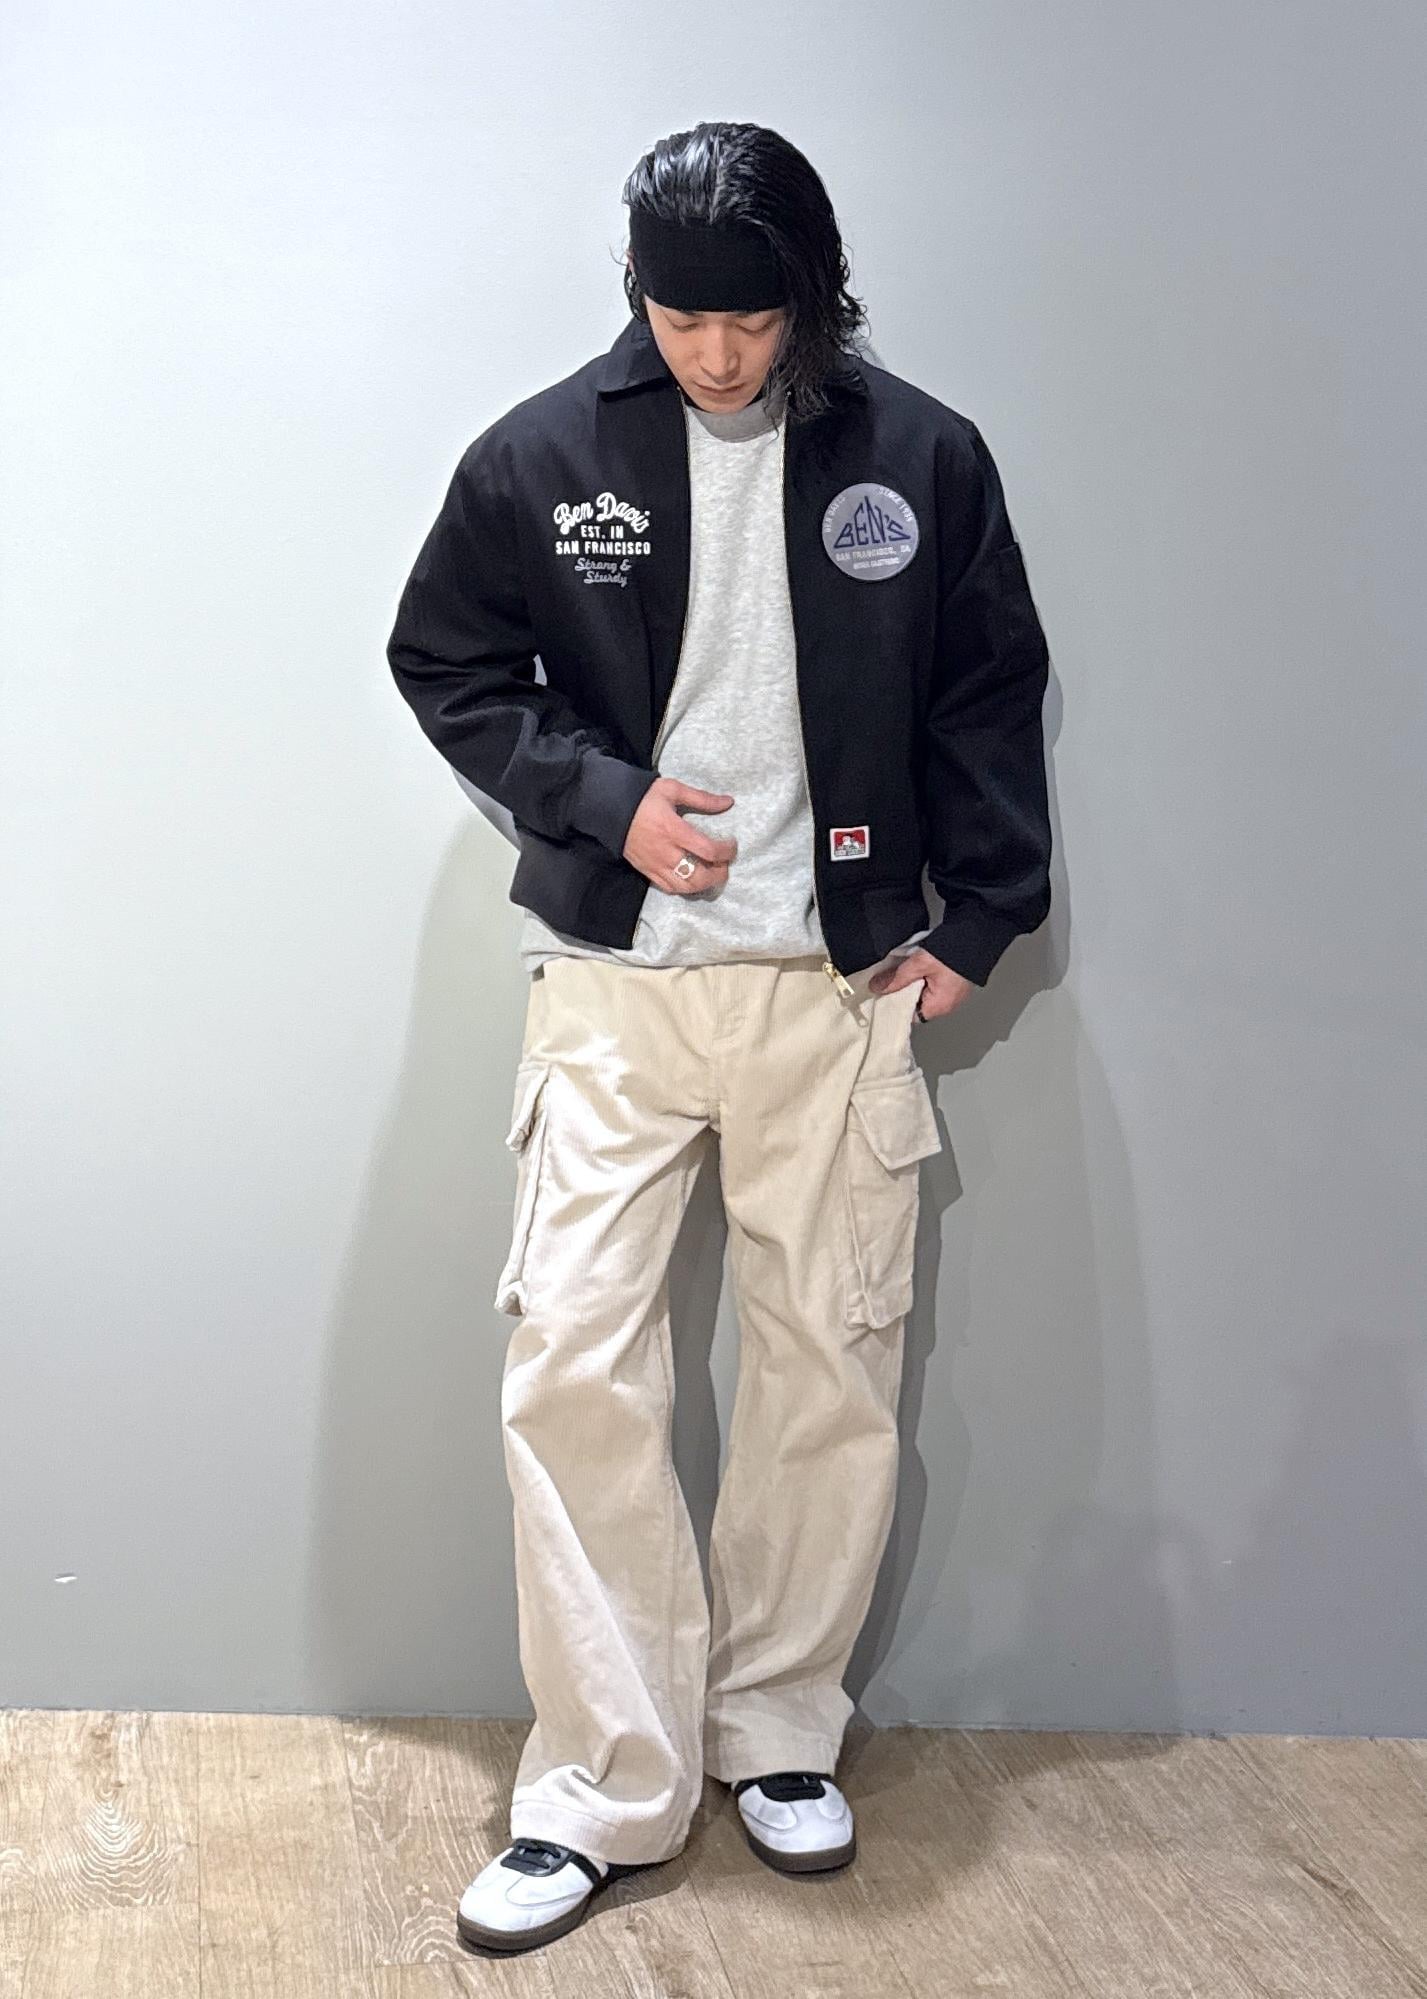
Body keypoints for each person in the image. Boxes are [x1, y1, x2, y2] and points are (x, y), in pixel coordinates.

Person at [386, 119, 1053, 1956]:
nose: (718, 354)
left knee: (826, 1364)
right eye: (684, 319)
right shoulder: (543, 455)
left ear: (814, 298)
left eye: (753, 320)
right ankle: (603, 1781)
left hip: (839, 988)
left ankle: (775, 1732)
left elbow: (992, 686)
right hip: (617, 989)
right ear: (639, 295)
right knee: (571, 1366)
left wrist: (984, 912)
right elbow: (443, 660)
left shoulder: (921, 456)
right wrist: (603, 800)